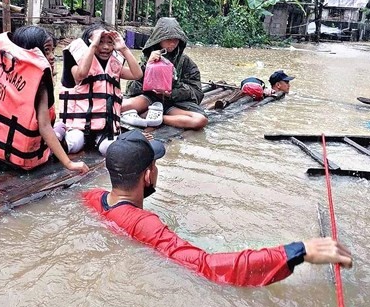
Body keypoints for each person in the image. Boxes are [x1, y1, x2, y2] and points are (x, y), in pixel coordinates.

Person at [84, 130, 353, 287]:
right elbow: (207, 267)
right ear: (147, 175)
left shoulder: (93, 198)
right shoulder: (146, 224)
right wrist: (297, 251)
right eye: (155, 166)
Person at [0, 25, 88, 175]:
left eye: (52, 50)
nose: (52, 56)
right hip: (20, 160)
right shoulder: (40, 84)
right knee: (67, 133)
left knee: (59, 127)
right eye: (46, 51)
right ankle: (63, 130)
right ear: (30, 52)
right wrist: (69, 163)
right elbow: (44, 127)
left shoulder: (0, 68)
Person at [57, 24, 143, 155]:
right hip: (79, 126)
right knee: (74, 143)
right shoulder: (76, 64)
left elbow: (137, 74)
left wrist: (124, 48)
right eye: (100, 42)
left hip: (105, 128)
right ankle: (59, 132)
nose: (105, 47)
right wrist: (92, 46)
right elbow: (80, 75)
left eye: (110, 42)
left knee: (109, 149)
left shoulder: (115, 66)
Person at [122, 17, 208, 130]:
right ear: (159, 39)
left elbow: (197, 93)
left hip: (173, 104)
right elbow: (131, 88)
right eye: (168, 39)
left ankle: (156, 118)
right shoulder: (148, 57)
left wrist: (172, 92)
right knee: (118, 107)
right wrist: (147, 66)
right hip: (148, 99)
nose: (172, 43)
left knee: (200, 120)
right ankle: (149, 113)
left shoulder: (185, 62)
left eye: (176, 40)